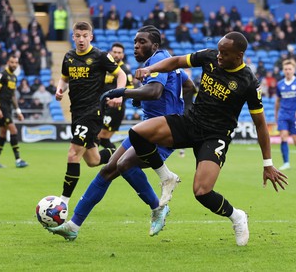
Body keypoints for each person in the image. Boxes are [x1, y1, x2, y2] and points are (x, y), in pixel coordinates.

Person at [102, 31, 288, 246]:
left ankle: (237, 216)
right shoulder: (210, 57)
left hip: (215, 136)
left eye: (224, 53)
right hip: (191, 122)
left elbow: (260, 124)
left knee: (202, 192)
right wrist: (150, 68)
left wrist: (268, 164)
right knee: (138, 132)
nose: (219, 56)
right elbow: (177, 61)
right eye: (218, 51)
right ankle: (166, 177)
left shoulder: (248, 82)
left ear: (239, 55)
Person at [46, 25, 196, 240]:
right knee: (107, 170)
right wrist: (167, 100)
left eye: (142, 42)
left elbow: (154, 92)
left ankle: (158, 206)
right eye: (135, 42)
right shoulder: (167, 61)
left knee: (124, 165)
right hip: (146, 130)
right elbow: (188, 85)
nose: (136, 45)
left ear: (154, 45)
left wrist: (124, 93)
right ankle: (73, 226)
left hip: (162, 132)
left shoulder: (157, 59)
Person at [54, 21, 127, 206]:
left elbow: (121, 75)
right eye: (78, 36)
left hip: (93, 112)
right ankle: (121, 153)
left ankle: (63, 203)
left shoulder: (100, 56)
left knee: (73, 154)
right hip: (76, 112)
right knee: (93, 160)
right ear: (73, 37)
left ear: (91, 37)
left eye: (85, 36)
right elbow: (64, 79)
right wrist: (59, 89)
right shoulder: (69, 57)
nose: (81, 40)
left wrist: (119, 94)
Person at [0, 54, 28, 168]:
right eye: (12, 62)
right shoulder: (2, 75)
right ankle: (18, 160)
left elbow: (12, 96)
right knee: (13, 130)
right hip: (1, 107)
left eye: (16, 63)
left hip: (8, 107)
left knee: (2, 133)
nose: (14, 65)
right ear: (8, 62)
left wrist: (18, 111)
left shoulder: (14, 77)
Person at [98, 42, 134, 150]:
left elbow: (129, 91)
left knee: (100, 136)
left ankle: (115, 159)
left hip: (115, 109)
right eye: (115, 52)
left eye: (119, 53)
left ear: (123, 55)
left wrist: (116, 99)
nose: (117, 55)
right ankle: (115, 160)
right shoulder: (105, 68)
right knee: (102, 139)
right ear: (110, 53)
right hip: (102, 106)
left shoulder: (125, 71)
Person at [275, 59, 296, 171]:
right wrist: (276, 114)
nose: (287, 71)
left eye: (290, 69)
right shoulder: (280, 84)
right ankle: (286, 163)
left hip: (295, 114)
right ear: (283, 70)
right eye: (285, 69)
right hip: (283, 114)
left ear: (294, 70)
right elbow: (278, 101)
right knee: (283, 137)